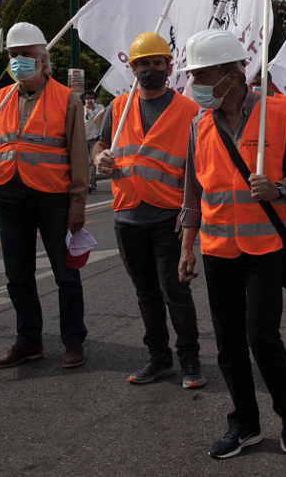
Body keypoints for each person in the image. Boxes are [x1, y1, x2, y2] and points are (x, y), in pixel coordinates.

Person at [177, 29, 286, 459]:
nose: (195, 85)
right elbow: (192, 195)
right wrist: (186, 247)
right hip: (218, 252)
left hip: (265, 249)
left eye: (202, 75)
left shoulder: (279, 113)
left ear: (231, 75)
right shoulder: (199, 126)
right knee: (228, 342)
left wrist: (276, 189)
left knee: (262, 337)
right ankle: (245, 425)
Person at [0, 22, 88, 370]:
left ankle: (73, 340)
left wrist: (78, 205)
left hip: (53, 199)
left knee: (65, 275)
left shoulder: (67, 98)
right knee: (17, 275)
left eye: (26, 56)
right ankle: (28, 341)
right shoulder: (0, 100)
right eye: (14, 56)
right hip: (10, 197)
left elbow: (79, 156)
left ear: (43, 59)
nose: (19, 61)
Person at [91, 33, 204, 389]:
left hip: (167, 217)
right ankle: (159, 359)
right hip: (127, 216)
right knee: (145, 293)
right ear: (132, 67)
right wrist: (99, 157)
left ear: (170, 68)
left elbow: (195, 171)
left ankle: (190, 361)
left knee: (175, 291)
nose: (151, 69)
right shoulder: (118, 107)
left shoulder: (189, 111)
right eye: (144, 63)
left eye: (158, 63)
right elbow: (101, 144)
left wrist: (189, 220)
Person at [83, 89, 105, 192]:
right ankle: (88, 182)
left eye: (91, 98)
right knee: (84, 162)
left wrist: (92, 108)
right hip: (83, 138)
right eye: (87, 98)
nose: (89, 100)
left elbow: (98, 117)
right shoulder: (82, 109)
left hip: (94, 137)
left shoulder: (99, 107)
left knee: (91, 162)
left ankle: (90, 183)